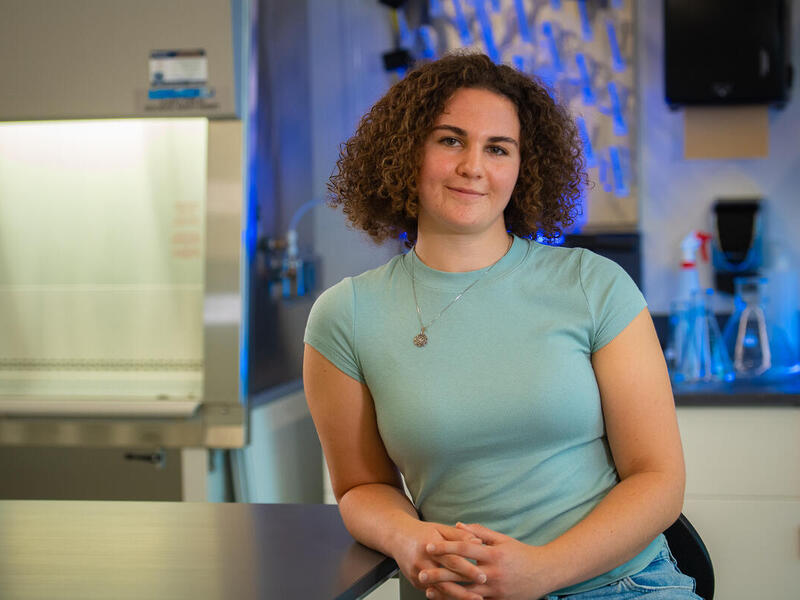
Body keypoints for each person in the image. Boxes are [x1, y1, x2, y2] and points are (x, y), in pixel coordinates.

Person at [303, 52, 698, 600]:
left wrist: (544, 570)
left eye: (498, 148)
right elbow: (361, 486)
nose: (474, 166)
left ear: (523, 166)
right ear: (405, 152)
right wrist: (409, 540)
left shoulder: (593, 284)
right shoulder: (344, 316)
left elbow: (659, 480)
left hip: (620, 586)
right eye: (450, 140)